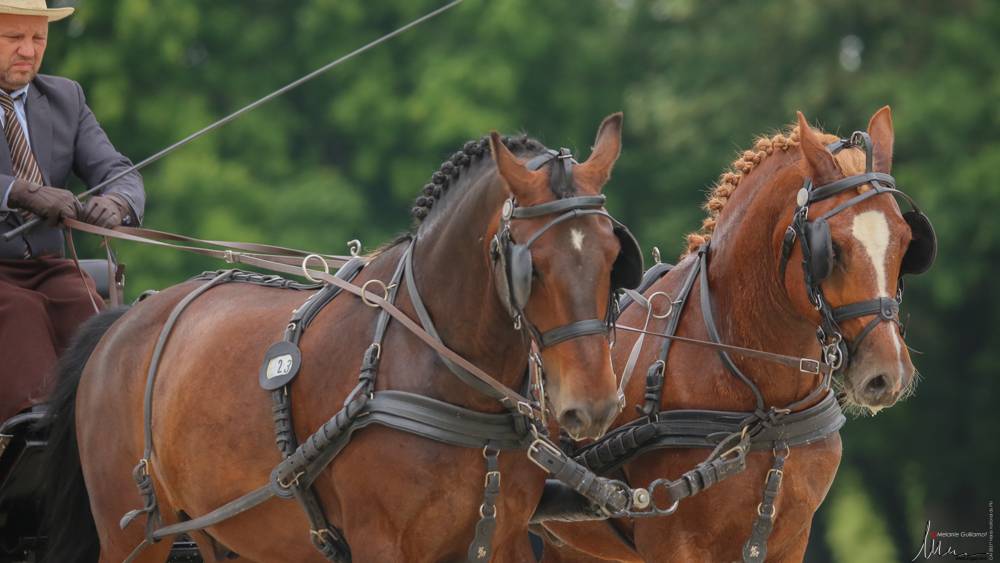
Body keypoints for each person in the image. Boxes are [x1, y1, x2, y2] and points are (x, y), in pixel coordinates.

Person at [0, 0, 145, 422]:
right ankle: (33, 435)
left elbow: (119, 171)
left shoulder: (66, 97)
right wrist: (20, 192)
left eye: (38, 38)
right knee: (19, 312)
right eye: (14, 38)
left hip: (49, 266)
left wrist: (116, 202)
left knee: (88, 310)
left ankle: (118, 425)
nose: (28, 50)